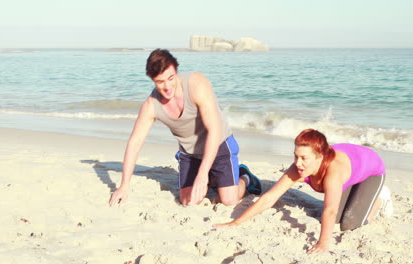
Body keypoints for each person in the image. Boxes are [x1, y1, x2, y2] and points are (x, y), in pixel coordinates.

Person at [109, 49, 261, 207]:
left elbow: (214, 131)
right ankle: (213, 178)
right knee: (189, 201)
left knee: (229, 200)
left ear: (176, 70)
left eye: (170, 78)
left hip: (219, 145)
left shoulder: (196, 83)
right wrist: (124, 185)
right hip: (190, 154)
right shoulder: (151, 106)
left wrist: (202, 175)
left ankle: (244, 176)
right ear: (152, 80)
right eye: (160, 82)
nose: (167, 87)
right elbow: (135, 143)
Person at [215, 128, 391, 253]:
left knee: (349, 225)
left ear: (319, 157)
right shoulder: (299, 167)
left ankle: (381, 199)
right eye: (295, 156)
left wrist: (322, 243)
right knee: (335, 219)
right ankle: (354, 189)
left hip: (371, 172)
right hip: (351, 170)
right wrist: (235, 223)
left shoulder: (332, 172)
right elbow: (270, 197)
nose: (297, 163)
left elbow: (329, 211)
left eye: (304, 158)